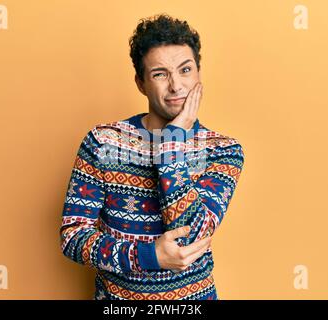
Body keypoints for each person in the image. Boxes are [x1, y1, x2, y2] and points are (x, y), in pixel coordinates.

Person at [60, 13, 245, 300]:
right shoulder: (103, 141)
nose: (176, 86)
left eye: (185, 70)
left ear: (198, 73)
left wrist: (171, 144)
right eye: (160, 74)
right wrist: (147, 256)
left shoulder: (223, 150)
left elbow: (191, 237)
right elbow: (73, 237)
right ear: (141, 83)